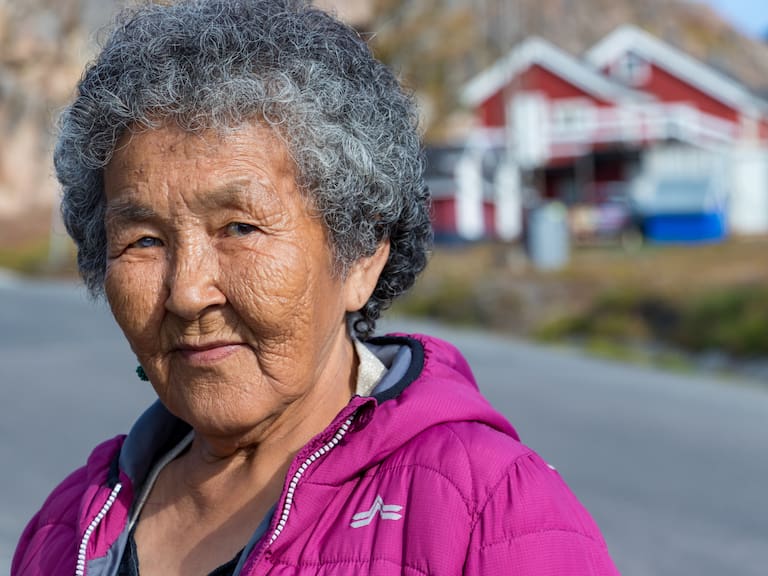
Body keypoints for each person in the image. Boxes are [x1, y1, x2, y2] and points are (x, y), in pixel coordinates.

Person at [13, 1, 620, 574]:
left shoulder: (490, 513)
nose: (187, 293)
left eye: (240, 228)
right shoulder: (72, 526)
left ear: (360, 256)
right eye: (143, 240)